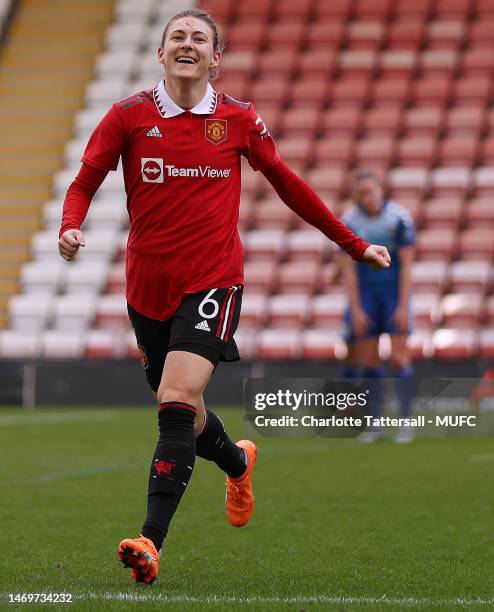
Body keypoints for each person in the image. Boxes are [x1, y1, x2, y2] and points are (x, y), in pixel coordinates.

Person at [58, 9, 391, 585]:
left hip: (214, 280)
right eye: (177, 37)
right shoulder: (128, 116)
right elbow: (86, 178)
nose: (187, 44)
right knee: (186, 409)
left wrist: (353, 244)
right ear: (161, 54)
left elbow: (288, 183)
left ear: (216, 58)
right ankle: (238, 462)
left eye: (199, 38)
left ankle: (149, 541)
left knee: (174, 401)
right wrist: (71, 225)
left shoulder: (237, 119)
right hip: (147, 286)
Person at [340, 169, 416, 443]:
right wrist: (356, 309)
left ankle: (407, 421)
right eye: (361, 193)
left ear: (380, 190)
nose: (366, 197)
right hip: (366, 296)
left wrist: (403, 306)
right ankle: (376, 421)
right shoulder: (349, 221)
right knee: (369, 359)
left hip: (394, 293)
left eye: (370, 191)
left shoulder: (399, 218)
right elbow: (347, 271)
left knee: (399, 357)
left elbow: (407, 265)